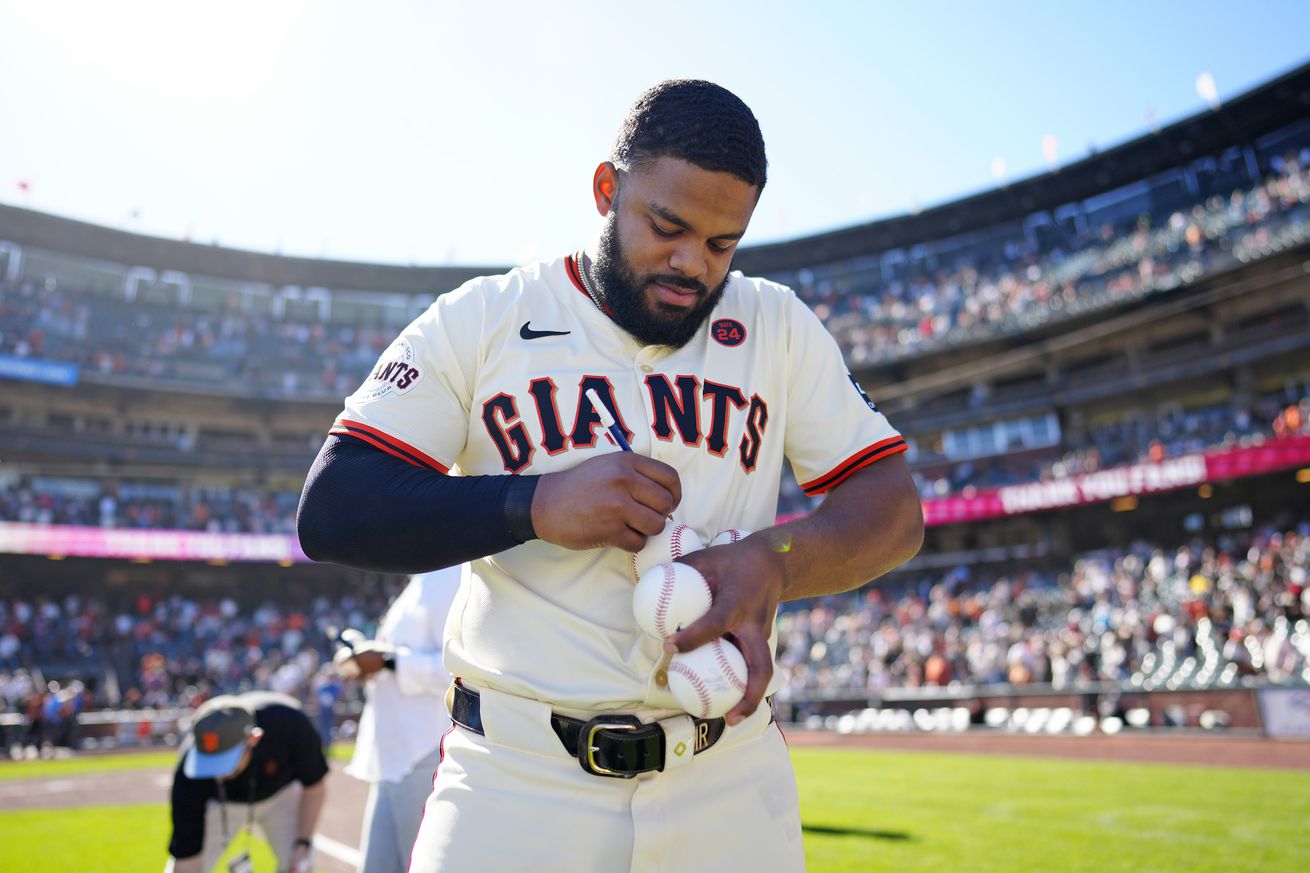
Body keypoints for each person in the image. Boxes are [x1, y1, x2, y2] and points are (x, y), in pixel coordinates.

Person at [297, 78, 924, 872]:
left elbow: (893, 506)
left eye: (723, 243)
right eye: (668, 226)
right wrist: (534, 502)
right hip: (516, 779)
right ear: (607, 189)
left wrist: (775, 561)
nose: (693, 262)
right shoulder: (484, 316)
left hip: (726, 773)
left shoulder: (775, 325)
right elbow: (334, 505)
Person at [335, 566, 460, 873]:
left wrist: (388, 661)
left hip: (426, 748)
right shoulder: (424, 576)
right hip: (395, 752)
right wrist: (366, 661)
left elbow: (459, 669)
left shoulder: (454, 573)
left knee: (420, 866)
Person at [165, 691, 328, 873]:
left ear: (253, 739)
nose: (217, 773)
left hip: (281, 795)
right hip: (219, 803)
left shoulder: (290, 723)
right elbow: (186, 854)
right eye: (209, 762)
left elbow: (314, 786)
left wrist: (302, 842)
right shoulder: (189, 772)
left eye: (225, 761)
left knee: (303, 866)